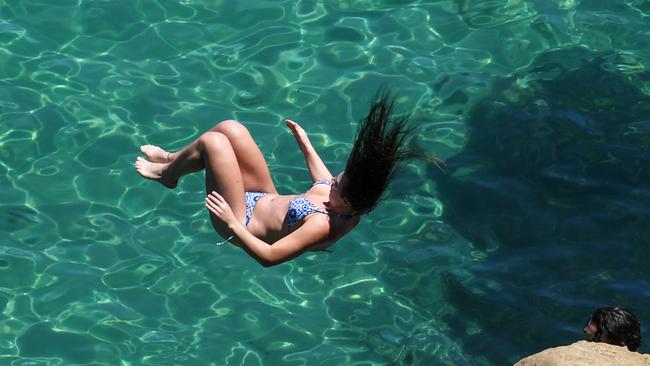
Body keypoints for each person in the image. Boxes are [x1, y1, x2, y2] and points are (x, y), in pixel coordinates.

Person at [134, 92, 410, 267]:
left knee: (214, 143)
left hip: (240, 221)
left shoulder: (320, 225)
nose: (331, 182)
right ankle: (173, 159)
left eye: (337, 185)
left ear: (347, 203)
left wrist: (232, 223)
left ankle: (166, 176)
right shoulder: (343, 202)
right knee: (231, 128)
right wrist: (305, 144)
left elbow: (269, 257)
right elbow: (322, 179)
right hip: (262, 195)